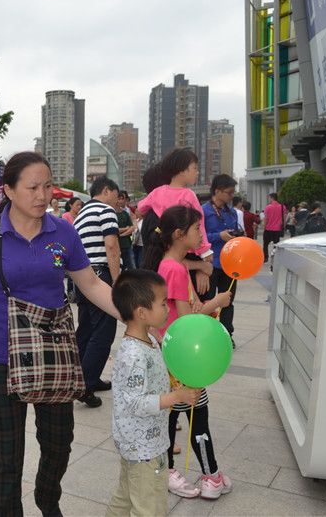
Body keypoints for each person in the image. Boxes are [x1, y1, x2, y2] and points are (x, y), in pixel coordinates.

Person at [0, 151, 122, 516]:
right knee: (4, 454)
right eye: (32, 187)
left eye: (47, 186)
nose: (42, 195)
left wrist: (132, 315)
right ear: (9, 190)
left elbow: (90, 283)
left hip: (54, 352)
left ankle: (48, 499)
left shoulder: (63, 231)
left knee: (59, 443)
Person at [142, 205, 233, 501]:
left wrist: (202, 304)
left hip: (173, 356)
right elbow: (184, 323)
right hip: (182, 360)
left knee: (173, 417)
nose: (201, 235)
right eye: (197, 229)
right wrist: (217, 301)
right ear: (180, 235)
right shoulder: (175, 269)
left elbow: (185, 310)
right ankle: (211, 476)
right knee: (198, 417)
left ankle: (171, 471)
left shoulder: (173, 265)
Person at [106, 269, 202, 517]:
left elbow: (148, 384)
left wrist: (170, 387)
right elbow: (136, 402)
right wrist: (178, 397)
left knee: (127, 493)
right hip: (143, 445)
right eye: (162, 303)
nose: (168, 308)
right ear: (141, 312)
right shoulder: (134, 354)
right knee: (150, 505)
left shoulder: (149, 339)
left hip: (142, 441)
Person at [73, 176, 122, 408]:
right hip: (100, 275)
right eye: (117, 194)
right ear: (106, 190)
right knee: (103, 332)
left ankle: (79, 378)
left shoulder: (81, 214)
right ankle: (86, 385)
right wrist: (117, 279)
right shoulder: (105, 210)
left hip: (80, 277)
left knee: (86, 330)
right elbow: (111, 246)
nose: (118, 200)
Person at [137, 148, 213, 262]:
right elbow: (199, 223)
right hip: (185, 247)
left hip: (166, 244)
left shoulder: (157, 192)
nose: (197, 172)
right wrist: (204, 250)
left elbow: (141, 207)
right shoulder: (189, 195)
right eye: (195, 168)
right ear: (182, 171)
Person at [202, 174, 240, 343]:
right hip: (210, 263)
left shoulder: (232, 212)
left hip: (229, 263)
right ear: (217, 191)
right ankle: (207, 334)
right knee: (208, 301)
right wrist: (219, 236)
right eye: (229, 192)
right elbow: (199, 237)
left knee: (228, 301)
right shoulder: (204, 211)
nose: (232, 196)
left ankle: (226, 335)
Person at [261, 192, 286, 262]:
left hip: (268, 228)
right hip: (277, 229)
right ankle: (275, 257)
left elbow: (266, 218)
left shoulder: (268, 207)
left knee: (265, 244)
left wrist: (264, 227)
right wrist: (283, 227)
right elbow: (284, 218)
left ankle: (265, 258)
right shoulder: (282, 207)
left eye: (269, 198)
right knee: (276, 244)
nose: (269, 199)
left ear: (272, 198)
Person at [116, 190, 136, 270]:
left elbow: (132, 228)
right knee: (120, 268)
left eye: (122, 199)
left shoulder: (125, 213)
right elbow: (114, 229)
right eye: (119, 199)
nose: (120, 201)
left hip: (127, 245)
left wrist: (122, 234)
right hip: (117, 246)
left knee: (132, 267)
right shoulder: (112, 214)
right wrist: (125, 228)